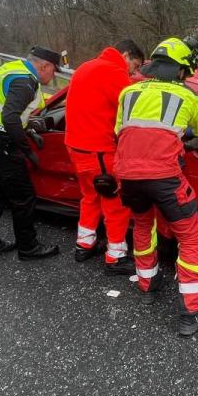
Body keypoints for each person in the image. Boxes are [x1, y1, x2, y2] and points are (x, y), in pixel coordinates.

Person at [114, 37, 198, 336]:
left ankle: (147, 281)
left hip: (128, 177)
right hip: (164, 178)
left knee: (143, 225)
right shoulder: (188, 97)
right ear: (181, 70)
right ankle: (193, 310)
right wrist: (185, 139)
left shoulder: (129, 92)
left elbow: (120, 134)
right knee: (189, 238)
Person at [0, 45, 62, 261]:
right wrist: (26, 150)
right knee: (23, 196)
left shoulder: (12, 68)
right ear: (44, 65)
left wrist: (27, 129)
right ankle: (28, 247)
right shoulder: (25, 81)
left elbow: (5, 110)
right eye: (54, 71)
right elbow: (9, 118)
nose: (53, 76)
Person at [64, 40, 145, 275]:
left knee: (90, 196)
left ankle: (84, 244)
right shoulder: (114, 72)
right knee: (115, 203)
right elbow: (133, 109)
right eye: (135, 64)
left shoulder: (86, 67)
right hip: (99, 150)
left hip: (76, 147)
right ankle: (116, 257)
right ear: (125, 55)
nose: (134, 72)